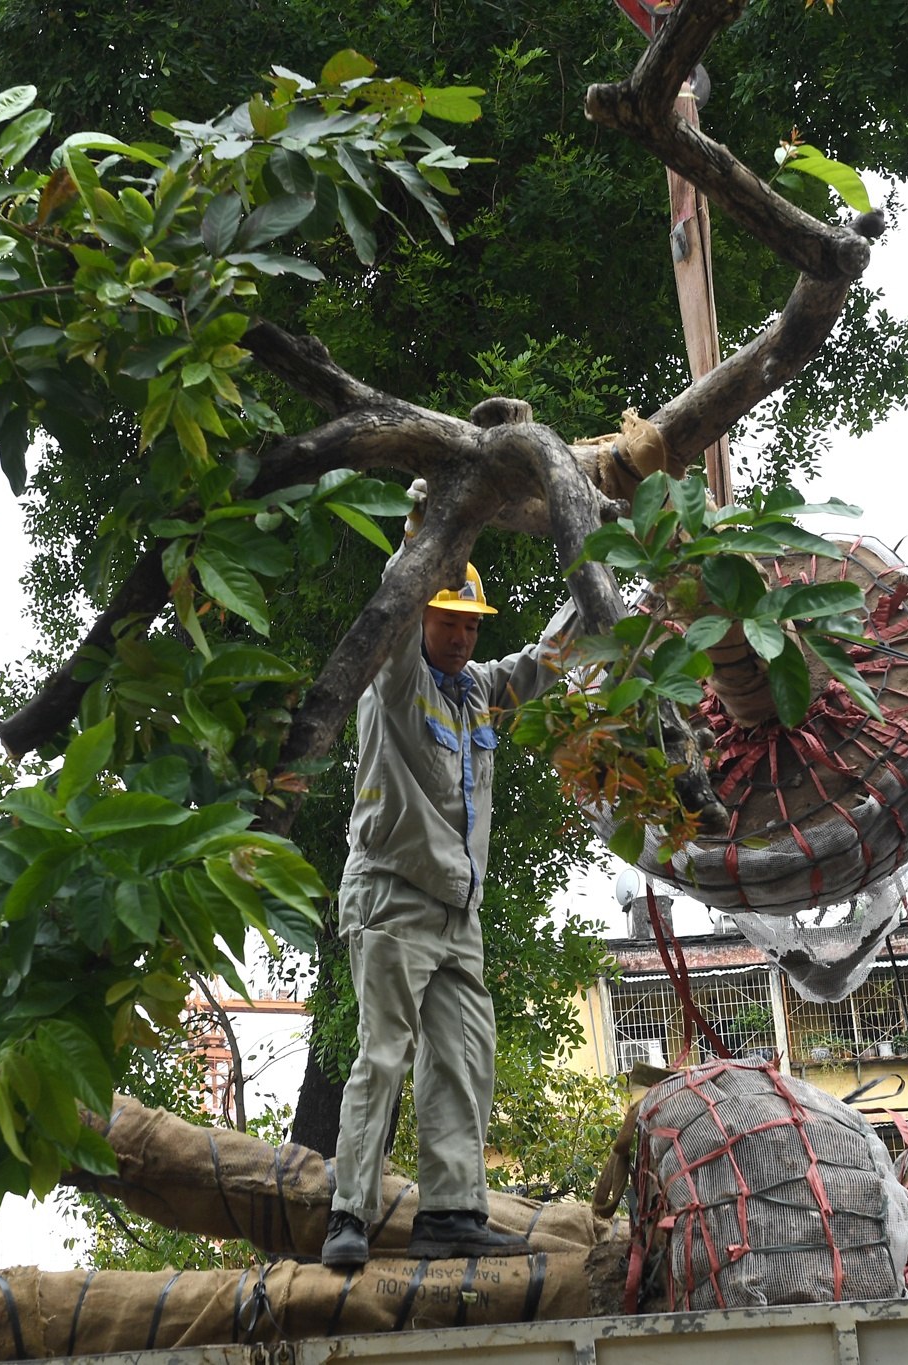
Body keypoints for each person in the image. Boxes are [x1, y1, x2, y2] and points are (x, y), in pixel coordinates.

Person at [321, 481, 570, 1267]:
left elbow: (541, 665)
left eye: (469, 624)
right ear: (422, 618)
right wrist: (421, 536)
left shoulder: (478, 693)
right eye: (447, 621)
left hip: (458, 911)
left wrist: (602, 575)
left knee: (463, 1054)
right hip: (394, 894)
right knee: (384, 1052)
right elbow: (391, 619)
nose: (460, 636)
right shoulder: (396, 683)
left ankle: (453, 1212)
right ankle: (347, 1214)